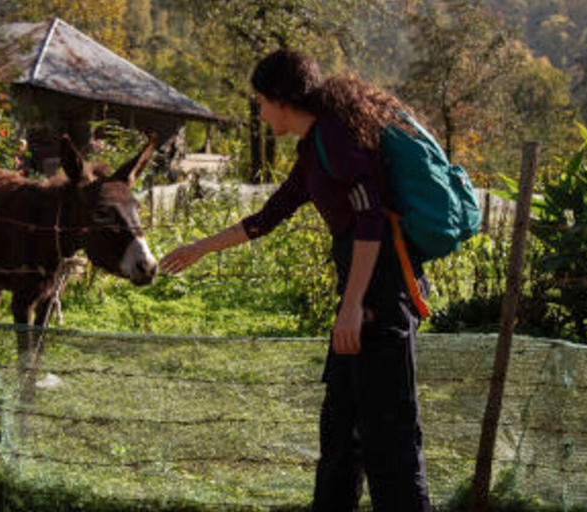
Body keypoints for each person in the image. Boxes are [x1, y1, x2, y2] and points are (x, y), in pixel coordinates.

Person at [160, 49, 432, 512]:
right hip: (361, 302)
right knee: (341, 439)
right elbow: (268, 217)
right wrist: (198, 248)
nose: (260, 113)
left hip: (380, 302)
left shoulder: (337, 139)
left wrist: (351, 305)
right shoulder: (314, 150)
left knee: (391, 445)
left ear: (282, 99)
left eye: (261, 102)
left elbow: (371, 221)